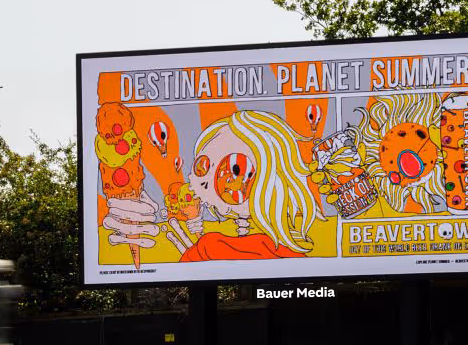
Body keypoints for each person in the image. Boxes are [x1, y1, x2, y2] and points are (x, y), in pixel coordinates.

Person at [104, 109, 331, 262]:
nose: (206, 181)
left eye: (236, 169)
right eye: (202, 166)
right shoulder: (208, 246)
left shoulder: (210, 247)